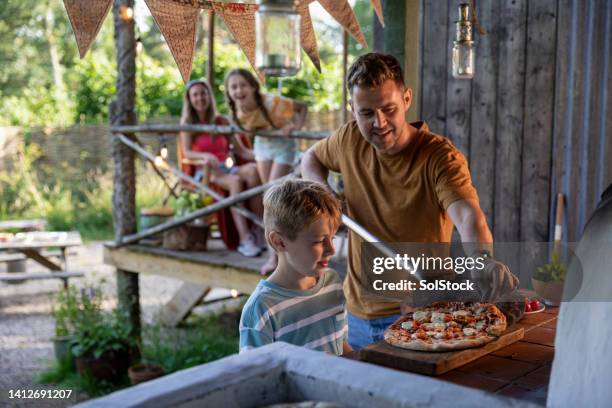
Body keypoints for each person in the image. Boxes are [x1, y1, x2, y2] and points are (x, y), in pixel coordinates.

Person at [301, 53, 519, 350]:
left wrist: (482, 259)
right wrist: (322, 192)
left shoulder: (440, 157)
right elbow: (310, 157)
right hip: (354, 313)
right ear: (352, 109)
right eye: (366, 113)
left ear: (406, 99)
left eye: (388, 109)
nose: (379, 123)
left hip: (419, 315)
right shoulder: (348, 139)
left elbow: (468, 216)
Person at [239, 179, 351, 356]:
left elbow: (340, 347)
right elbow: (257, 374)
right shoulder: (261, 309)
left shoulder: (332, 283)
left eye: (332, 238)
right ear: (279, 242)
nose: (331, 249)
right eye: (319, 241)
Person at [224, 69, 308, 274]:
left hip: (282, 146)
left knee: (273, 199)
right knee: (268, 200)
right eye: (233, 87)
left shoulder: (272, 102)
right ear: (228, 91)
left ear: (253, 86)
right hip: (262, 146)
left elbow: (302, 107)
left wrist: (295, 128)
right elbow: (241, 136)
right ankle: (278, 251)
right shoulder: (236, 111)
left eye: (243, 85)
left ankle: (275, 258)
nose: (238, 90)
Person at [179, 79, 262, 257]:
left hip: (224, 168)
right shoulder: (188, 123)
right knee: (235, 182)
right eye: (195, 94)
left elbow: (242, 151)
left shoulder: (222, 121)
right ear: (190, 99)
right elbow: (186, 153)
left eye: (203, 93)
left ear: (209, 96)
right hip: (205, 173)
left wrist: (265, 155)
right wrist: (205, 156)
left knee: (254, 170)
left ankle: (257, 227)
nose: (200, 98)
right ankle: (244, 239)